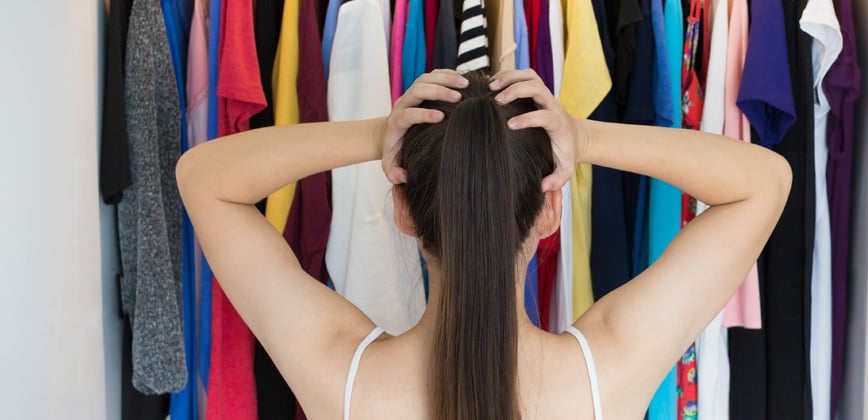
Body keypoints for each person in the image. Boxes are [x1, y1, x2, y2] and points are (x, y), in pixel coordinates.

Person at [176, 69, 791, 419]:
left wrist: (377, 136)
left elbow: (203, 179)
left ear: (404, 211)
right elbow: (763, 182)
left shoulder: (344, 376)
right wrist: (583, 138)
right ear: (550, 211)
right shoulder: (606, 370)